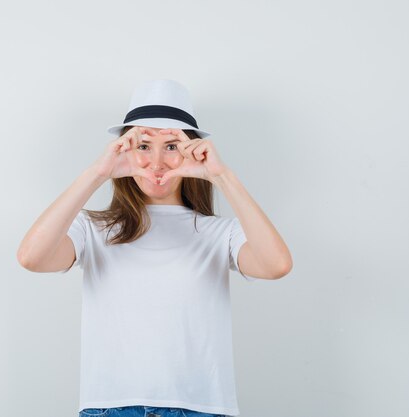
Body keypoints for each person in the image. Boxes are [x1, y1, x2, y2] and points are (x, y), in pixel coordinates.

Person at [17, 79, 293, 417]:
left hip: (201, 409)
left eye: (172, 146)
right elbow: (32, 257)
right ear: (125, 149)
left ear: (193, 150)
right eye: (144, 146)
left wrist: (221, 176)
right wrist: (98, 173)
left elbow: (276, 265)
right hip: (111, 408)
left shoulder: (219, 233)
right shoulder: (94, 229)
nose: (157, 162)